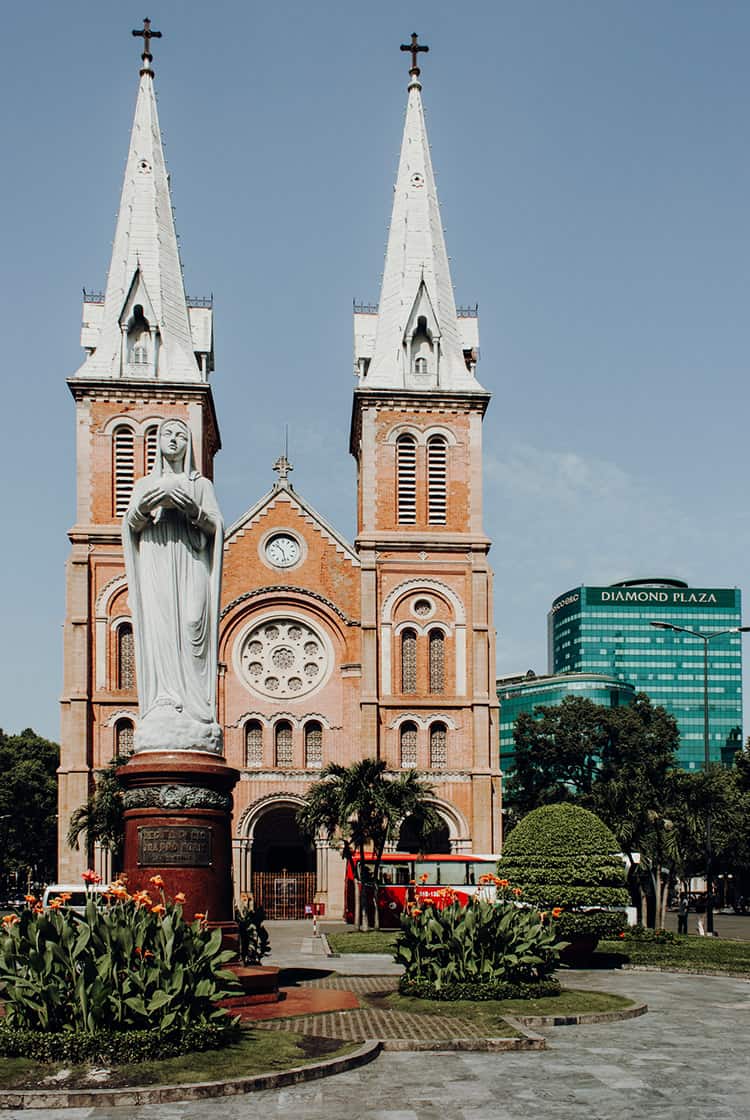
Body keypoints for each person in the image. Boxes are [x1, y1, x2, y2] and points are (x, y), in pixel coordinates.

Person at [122, 418, 224, 753]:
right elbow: (131, 523)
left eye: (182, 434)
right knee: (161, 629)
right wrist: (149, 504)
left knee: (194, 622)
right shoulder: (143, 483)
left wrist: (193, 510)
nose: (174, 440)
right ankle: (164, 698)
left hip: (191, 560)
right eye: (167, 433)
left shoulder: (201, 484)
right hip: (157, 563)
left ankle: (195, 705)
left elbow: (215, 527)